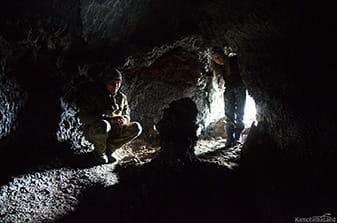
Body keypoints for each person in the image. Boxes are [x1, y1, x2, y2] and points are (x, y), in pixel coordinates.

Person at [78, 67, 142, 164]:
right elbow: (83, 117)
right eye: (112, 83)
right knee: (103, 125)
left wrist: (124, 119)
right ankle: (100, 152)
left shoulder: (122, 98)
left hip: (115, 130)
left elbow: (126, 114)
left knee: (137, 127)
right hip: (96, 131)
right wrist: (108, 119)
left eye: (118, 83)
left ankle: (109, 150)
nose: (116, 86)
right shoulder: (95, 96)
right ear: (105, 83)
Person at [209, 46, 246, 147]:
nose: (219, 60)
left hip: (239, 88)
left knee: (240, 112)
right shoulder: (218, 68)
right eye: (216, 58)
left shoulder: (233, 60)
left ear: (223, 55)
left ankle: (237, 136)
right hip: (229, 90)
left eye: (220, 57)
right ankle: (230, 138)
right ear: (213, 60)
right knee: (229, 114)